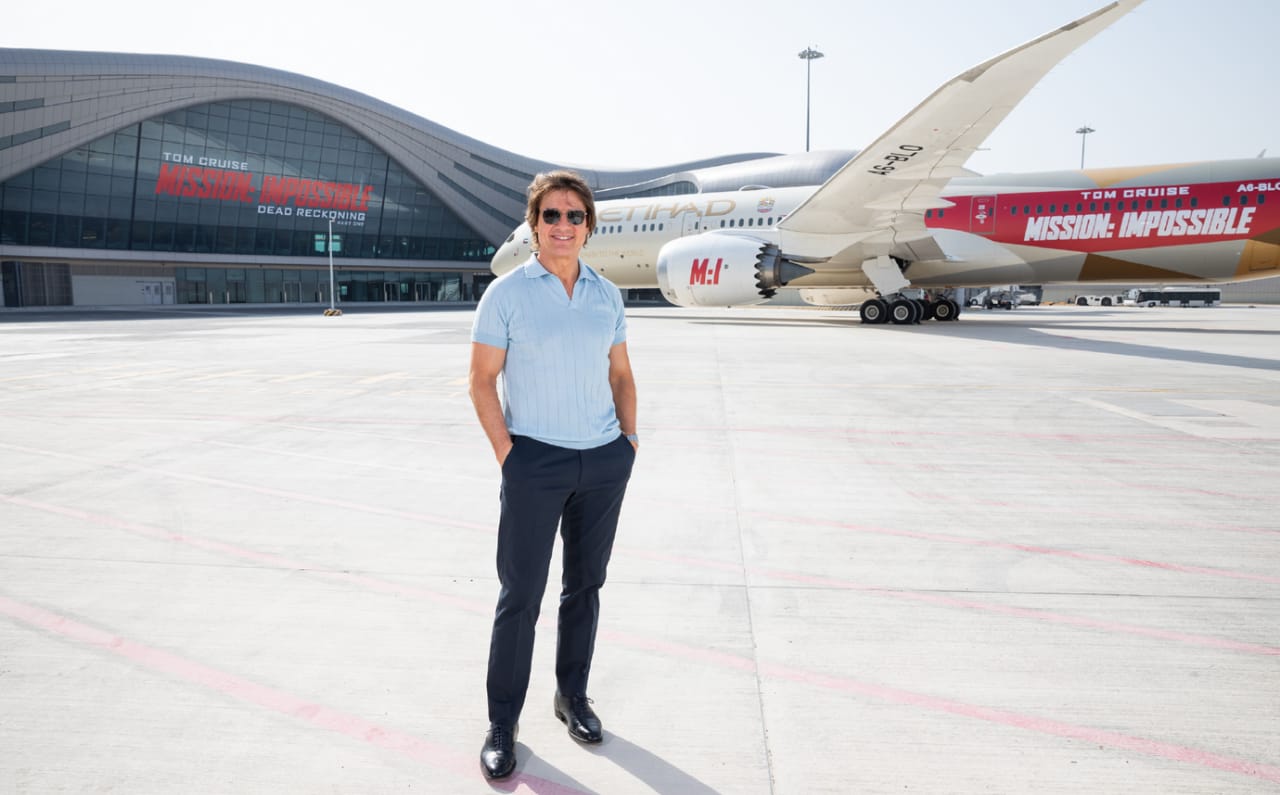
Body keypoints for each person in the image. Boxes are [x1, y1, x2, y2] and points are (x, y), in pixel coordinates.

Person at [468, 169, 639, 780]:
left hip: (603, 461)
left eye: (574, 215)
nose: (563, 225)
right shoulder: (507, 294)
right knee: (520, 596)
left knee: (585, 587)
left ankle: (573, 697)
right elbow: (481, 381)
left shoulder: (606, 294)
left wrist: (628, 442)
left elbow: (621, 374)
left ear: (588, 226)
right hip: (534, 462)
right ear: (534, 225)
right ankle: (502, 723)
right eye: (551, 215)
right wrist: (508, 456)